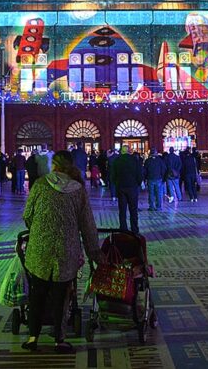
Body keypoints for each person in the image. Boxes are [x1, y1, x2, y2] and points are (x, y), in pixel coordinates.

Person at [21, 151, 102, 354]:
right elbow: (88, 226)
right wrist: (95, 255)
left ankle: (33, 337)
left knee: (37, 294)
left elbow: (27, 215)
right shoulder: (78, 190)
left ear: (54, 165)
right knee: (61, 297)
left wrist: (38, 231)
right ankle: (60, 339)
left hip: (40, 250)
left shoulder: (40, 184)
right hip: (67, 251)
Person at [110, 146, 142, 233]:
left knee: (122, 210)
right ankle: (135, 229)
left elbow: (113, 175)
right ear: (128, 151)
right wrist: (138, 183)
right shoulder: (135, 160)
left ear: (121, 151)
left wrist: (116, 183)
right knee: (133, 209)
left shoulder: (117, 161)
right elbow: (139, 173)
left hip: (121, 187)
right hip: (132, 187)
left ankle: (123, 228)